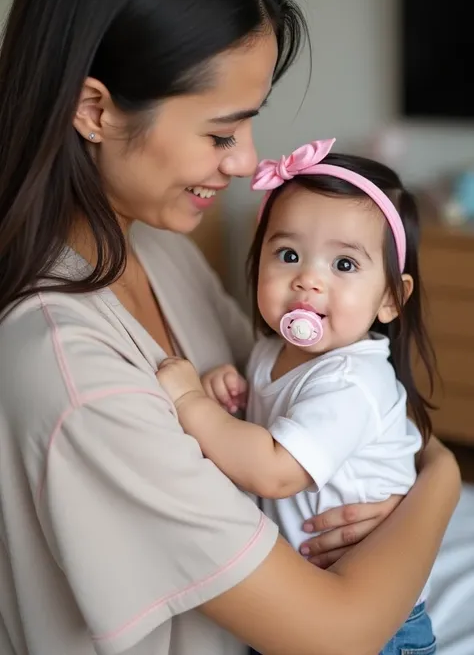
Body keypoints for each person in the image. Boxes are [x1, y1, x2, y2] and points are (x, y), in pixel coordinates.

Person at [0, 0, 459, 655]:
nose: (248, 161)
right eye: (221, 131)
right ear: (94, 110)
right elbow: (333, 634)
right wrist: (438, 481)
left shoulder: (162, 253)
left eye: (249, 124)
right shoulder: (72, 374)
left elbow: (306, 409)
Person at [158, 137, 439, 653]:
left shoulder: (351, 382)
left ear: (390, 300)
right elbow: (269, 417)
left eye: (345, 265)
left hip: (379, 628)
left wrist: (191, 404)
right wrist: (232, 392)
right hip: (305, 599)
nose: (308, 279)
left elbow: (273, 469)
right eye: (288, 255)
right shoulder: (270, 351)